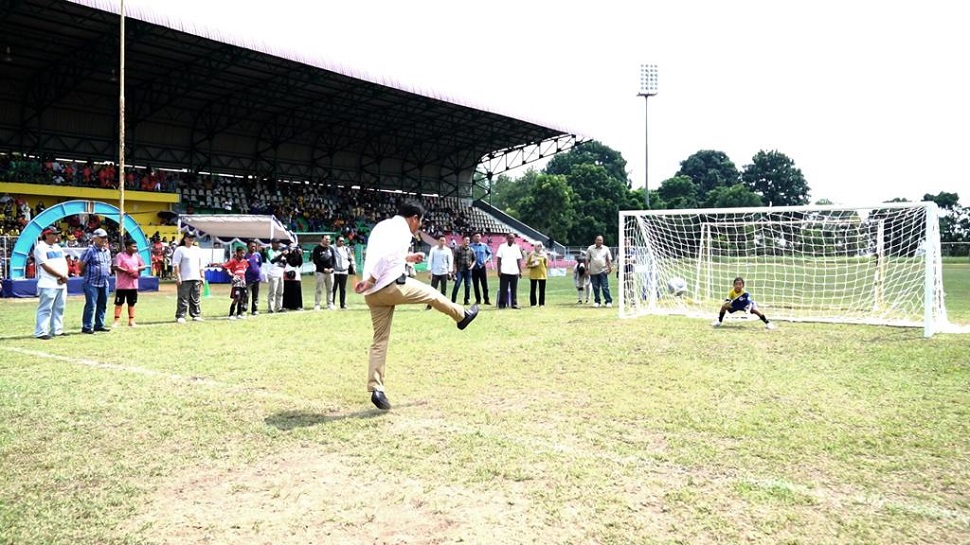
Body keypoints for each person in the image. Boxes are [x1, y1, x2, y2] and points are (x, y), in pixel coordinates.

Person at [353, 201, 479, 411]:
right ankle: (462, 316)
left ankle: (377, 389)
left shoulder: (382, 226)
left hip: (372, 295)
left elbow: (383, 255)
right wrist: (372, 280)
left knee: (379, 341)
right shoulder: (402, 230)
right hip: (388, 286)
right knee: (431, 293)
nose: (417, 228)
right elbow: (385, 257)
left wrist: (406, 258)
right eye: (419, 224)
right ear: (414, 218)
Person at [33, 226, 69, 340]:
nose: (57, 236)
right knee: (45, 308)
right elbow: (44, 265)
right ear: (47, 235)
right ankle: (41, 331)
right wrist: (60, 275)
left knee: (59, 307)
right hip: (48, 282)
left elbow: (64, 263)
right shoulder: (40, 248)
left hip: (60, 282)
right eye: (54, 234)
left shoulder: (58, 247)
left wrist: (64, 275)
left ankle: (57, 330)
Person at [78, 228, 113, 333]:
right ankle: (87, 326)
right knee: (91, 305)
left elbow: (109, 264)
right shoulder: (89, 251)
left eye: (105, 237)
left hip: (104, 282)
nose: (104, 239)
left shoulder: (107, 251)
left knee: (103, 304)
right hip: (91, 282)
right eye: (102, 237)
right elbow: (81, 265)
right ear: (95, 238)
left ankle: (99, 324)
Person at [712, 276, 777, 330]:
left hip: (746, 306)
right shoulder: (731, 292)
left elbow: (750, 303)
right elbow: (727, 300)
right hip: (736, 305)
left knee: (756, 310)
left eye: (740, 284)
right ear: (733, 285)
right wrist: (727, 303)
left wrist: (748, 310)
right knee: (724, 306)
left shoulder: (745, 293)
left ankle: (768, 323)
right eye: (736, 284)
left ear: (743, 285)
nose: (738, 286)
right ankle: (719, 322)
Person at [112, 239, 146, 328]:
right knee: (119, 303)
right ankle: (116, 321)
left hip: (133, 285)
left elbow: (143, 266)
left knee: (132, 303)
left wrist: (136, 269)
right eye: (133, 246)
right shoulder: (120, 256)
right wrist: (127, 271)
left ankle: (131, 321)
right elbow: (115, 266)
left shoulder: (137, 256)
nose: (135, 248)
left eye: (136, 246)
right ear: (127, 247)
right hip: (122, 286)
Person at [172, 231, 205, 323]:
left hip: (196, 277)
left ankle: (196, 314)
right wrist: (178, 276)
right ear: (185, 238)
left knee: (195, 297)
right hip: (185, 277)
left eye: (193, 237)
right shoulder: (180, 249)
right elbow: (176, 264)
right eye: (189, 237)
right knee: (183, 297)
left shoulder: (197, 249)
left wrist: (202, 276)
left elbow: (201, 264)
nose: (191, 239)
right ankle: (181, 315)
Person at [222, 246, 250, 320]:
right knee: (236, 298)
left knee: (242, 298)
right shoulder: (233, 261)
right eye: (241, 253)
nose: (243, 255)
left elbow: (246, 268)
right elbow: (224, 266)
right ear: (237, 253)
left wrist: (243, 274)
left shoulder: (245, 262)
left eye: (244, 253)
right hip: (236, 282)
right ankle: (231, 314)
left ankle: (239, 314)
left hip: (243, 281)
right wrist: (230, 273)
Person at [495, 232, 523, 309]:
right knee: (503, 288)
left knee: (514, 289)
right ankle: (502, 304)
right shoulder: (502, 247)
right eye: (509, 238)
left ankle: (514, 304)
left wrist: (520, 271)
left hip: (514, 271)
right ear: (507, 238)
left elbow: (518, 260)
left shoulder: (516, 247)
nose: (511, 239)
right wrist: (499, 270)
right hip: (504, 271)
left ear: (514, 239)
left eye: (512, 238)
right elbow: (499, 259)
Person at [425, 235, 452, 310]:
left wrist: (450, 271)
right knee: (433, 289)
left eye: (444, 241)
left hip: (444, 272)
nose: (442, 242)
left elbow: (450, 261)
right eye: (441, 240)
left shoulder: (448, 250)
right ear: (438, 241)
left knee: (443, 290)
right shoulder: (433, 250)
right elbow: (430, 260)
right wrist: (429, 271)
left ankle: (444, 305)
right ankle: (429, 305)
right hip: (435, 272)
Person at [586, 235, 613, 308]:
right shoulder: (590, 248)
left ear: (602, 241)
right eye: (598, 240)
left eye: (601, 240)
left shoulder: (606, 248)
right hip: (593, 271)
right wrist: (587, 269)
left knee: (605, 287)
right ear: (595, 241)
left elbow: (609, 259)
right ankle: (597, 301)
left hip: (603, 270)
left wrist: (610, 268)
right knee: (595, 287)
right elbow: (587, 260)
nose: (599, 241)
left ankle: (608, 301)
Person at [311, 235, 336, 310]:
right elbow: (316, 261)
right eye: (326, 239)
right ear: (322, 239)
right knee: (319, 289)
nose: (328, 241)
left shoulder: (331, 249)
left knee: (330, 289)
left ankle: (330, 304)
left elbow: (334, 260)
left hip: (330, 273)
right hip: (320, 273)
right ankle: (317, 304)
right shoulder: (317, 249)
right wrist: (323, 269)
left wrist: (332, 268)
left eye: (329, 239)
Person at [451, 235, 475, 305]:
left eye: (468, 240)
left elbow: (474, 260)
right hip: (459, 270)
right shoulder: (457, 249)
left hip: (468, 270)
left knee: (468, 285)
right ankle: (453, 300)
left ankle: (466, 300)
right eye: (466, 240)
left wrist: (472, 267)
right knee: (457, 284)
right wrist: (454, 270)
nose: (467, 241)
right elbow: (454, 261)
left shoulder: (471, 250)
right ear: (462, 241)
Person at [331, 236, 354, 309]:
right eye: (340, 241)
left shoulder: (346, 249)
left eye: (343, 241)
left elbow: (351, 258)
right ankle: (332, 303)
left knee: (343, 289)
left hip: (344, 271)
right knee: (333, 288)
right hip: (335, 271)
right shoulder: (332, 248)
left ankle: (343, 304)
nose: (342, 242)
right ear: (336, 241)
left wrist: (353, 267)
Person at [469, 232, 492, 305]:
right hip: (474, 267)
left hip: (482, 267)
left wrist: (487, 260)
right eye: (476, 236)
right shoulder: (470, 246)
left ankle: (486, 299)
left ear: (480, 237)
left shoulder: (484, 246)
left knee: (484, 284)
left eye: (478, 236)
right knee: (475, 284)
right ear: (473, 237)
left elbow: (490, 254)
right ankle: (478, 300)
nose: (477, 238)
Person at [526, 241, 549, 307]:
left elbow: (546, 265)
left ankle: (541, 303)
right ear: (535, 247)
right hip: (533, 275)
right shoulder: (531, 254)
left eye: (540, 246)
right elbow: (527, 264)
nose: (539, 247)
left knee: (542, 290)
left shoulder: (544, 255)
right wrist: (532, 265)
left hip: (542, 274)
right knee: (533, 290)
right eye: (538, 246)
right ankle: (533, 303)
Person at [282, 242, 304, 311]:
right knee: (287, 289)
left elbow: (299, 263)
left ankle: (297, 305)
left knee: (296, 290)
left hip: (296, 272)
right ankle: (286, 306)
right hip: (287, 271)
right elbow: (286, 261)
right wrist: (288, 254)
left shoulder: (297, 253)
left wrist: (300, 255)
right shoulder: (286, 252)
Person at [266, 239, 286, 313]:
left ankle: (278, 307)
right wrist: (281, 255)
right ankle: (270, 308)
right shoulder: (269, 251)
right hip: (273, 274)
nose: (278, 245)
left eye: (279, 243)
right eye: (276, 243)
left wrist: (285, 257)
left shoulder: (279, 252)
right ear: (272, 243)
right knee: (272, 292)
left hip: (280, 273)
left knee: (280, 292)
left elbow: (284, 262)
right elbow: (272, 260)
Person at [244, 240, 263, 316]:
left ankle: (255, 310)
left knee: (256, 295)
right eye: (252, 246)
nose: (253, 247)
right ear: (248, 246)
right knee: (246, 295)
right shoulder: (245, 256)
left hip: (257, 279)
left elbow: (260, 264)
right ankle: (244, 309)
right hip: (248, 279)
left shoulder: (258, 255)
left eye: (255, 246)